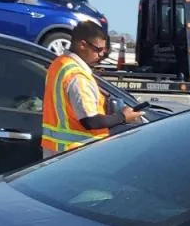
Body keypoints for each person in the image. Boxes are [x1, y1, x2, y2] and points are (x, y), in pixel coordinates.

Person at [41, 20, 144, 155]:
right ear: (82, 45)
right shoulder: (77, 76)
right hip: (76, 152)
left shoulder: (59, 64)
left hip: (57, 151)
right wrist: (122, 117)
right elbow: (90, 121)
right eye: (98, 50)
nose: (101, 55)